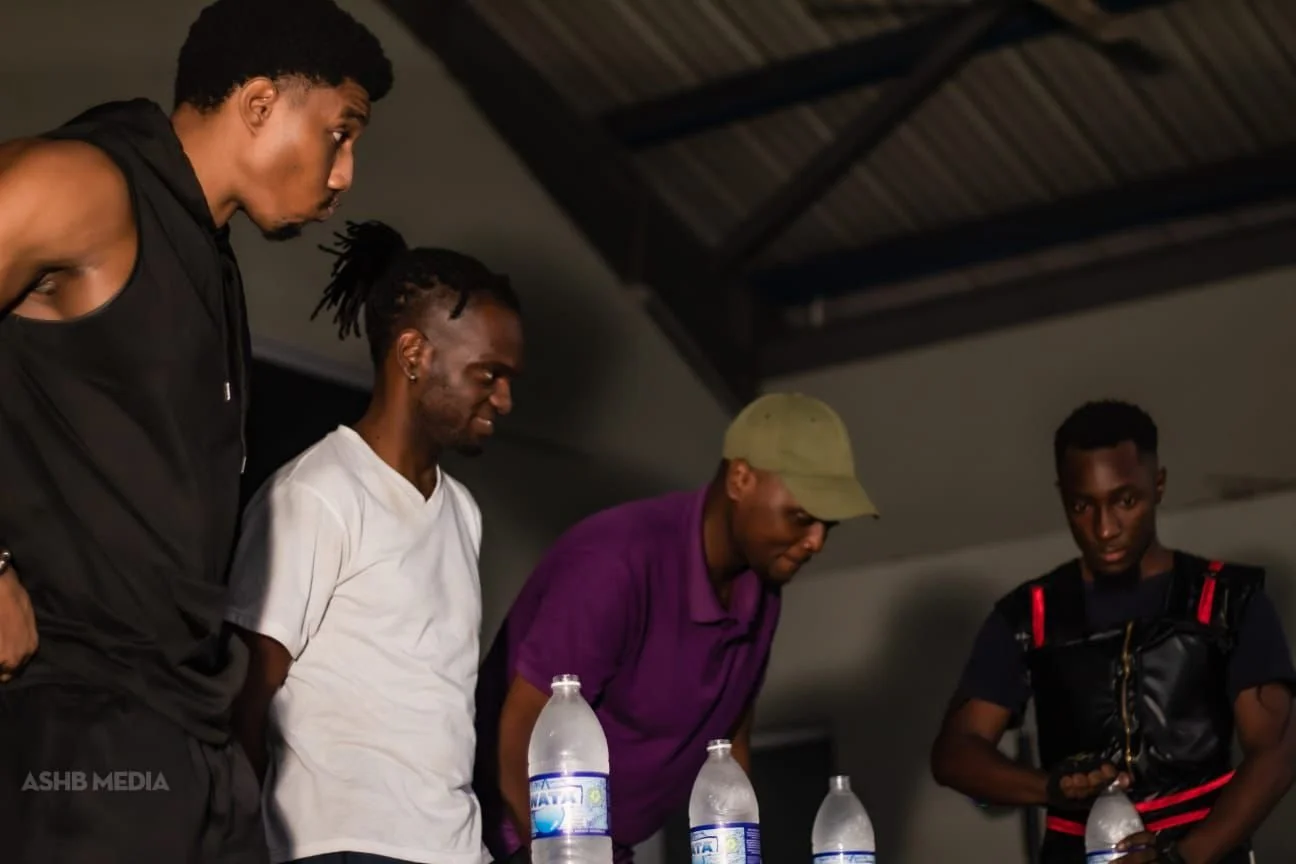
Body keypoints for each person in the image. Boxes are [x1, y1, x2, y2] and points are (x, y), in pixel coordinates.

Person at [0, 1, 392, 861]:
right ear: (258, 105)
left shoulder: (205, 255)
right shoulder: (88, 183)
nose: (345, 173)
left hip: (190, 731)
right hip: (77, 715)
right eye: (341, 132)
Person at [225, 219, 524, 864]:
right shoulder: (316, 493)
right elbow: (242, 701)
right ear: (414, 354)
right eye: (488, 374)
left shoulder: (462, 512)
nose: (504, 399)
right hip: (342, 846)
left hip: (454, 849)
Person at [474, 392, 879, 863]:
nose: (815, 542)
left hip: (607, 850)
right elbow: (522, 728)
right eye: (803, 517)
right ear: (741, 479)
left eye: (828, 526)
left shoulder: (761, 588)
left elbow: (729, 745)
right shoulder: (615, 562)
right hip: (505, 839)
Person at [930, 400, 1296, 864]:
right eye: (1083, 506)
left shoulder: (1228, 600)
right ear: (1063, 496)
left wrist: (1181, 858)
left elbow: (1278, 752)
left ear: (1158, 485)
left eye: (1125, 501)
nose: (1104, 529)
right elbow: (954, 754)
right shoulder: (1029, 615)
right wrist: (1050, 787)